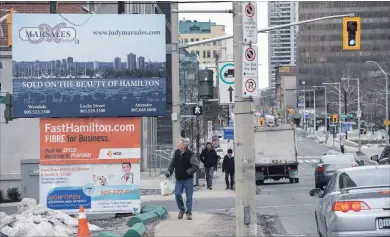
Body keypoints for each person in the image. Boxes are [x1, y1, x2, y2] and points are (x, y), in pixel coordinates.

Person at [166, 139, 199, 220]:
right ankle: (181, 209)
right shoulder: (176, 153)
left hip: (188, 179)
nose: (178, 146)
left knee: (189, 197)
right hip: (179, 178)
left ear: (184, 146)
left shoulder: (190, 154)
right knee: (177, 194)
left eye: (180, 144)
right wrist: (169, 172)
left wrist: (187, 172)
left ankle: (189, 213)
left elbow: (196, 166)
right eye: (178, 145)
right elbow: (172, 164)